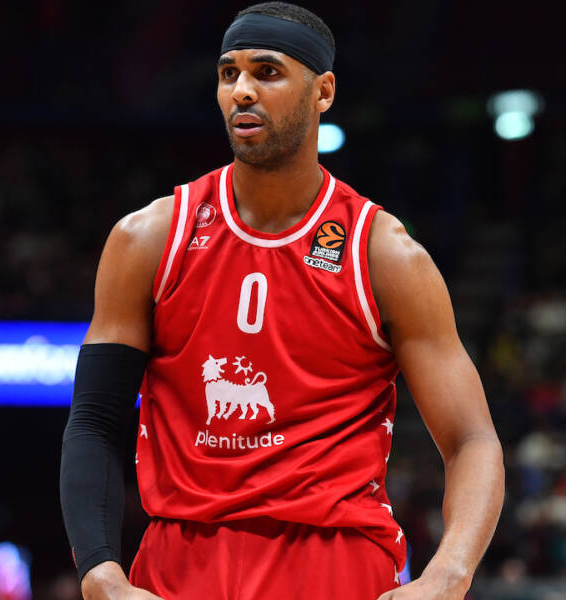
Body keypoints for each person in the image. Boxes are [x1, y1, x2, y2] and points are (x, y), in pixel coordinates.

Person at [59, 3, 505, 599]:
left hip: (333, 561)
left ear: (323, 92)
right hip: (180, 563)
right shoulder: (149, 238)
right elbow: (95, 420)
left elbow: (472, 439)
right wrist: (98, 571)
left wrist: (450, 574)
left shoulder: (383, 255)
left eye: (266, 72)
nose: (241, 91)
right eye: (229, 74)